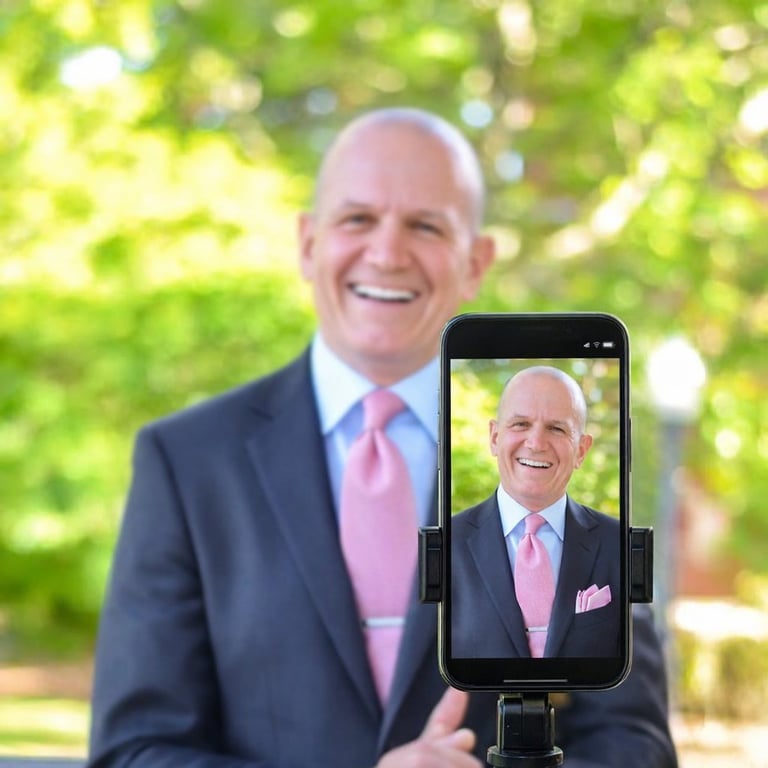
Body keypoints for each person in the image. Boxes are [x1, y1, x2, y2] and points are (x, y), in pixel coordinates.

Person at [87, 108, 678, 768]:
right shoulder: (187, 463)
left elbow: (635, 748)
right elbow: (135, 752)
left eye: (425, 225)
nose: (388, 253)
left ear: (475, 261)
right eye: (357, 219)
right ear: (309, 243)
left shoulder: (546, 465)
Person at [451, 366, 621, 659]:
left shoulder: (618, 544)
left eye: (556, 429)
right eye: (520, 424)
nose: (536, 443)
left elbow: (634, 688)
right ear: (494, 437)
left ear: (581, 450)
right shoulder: (445, 545)